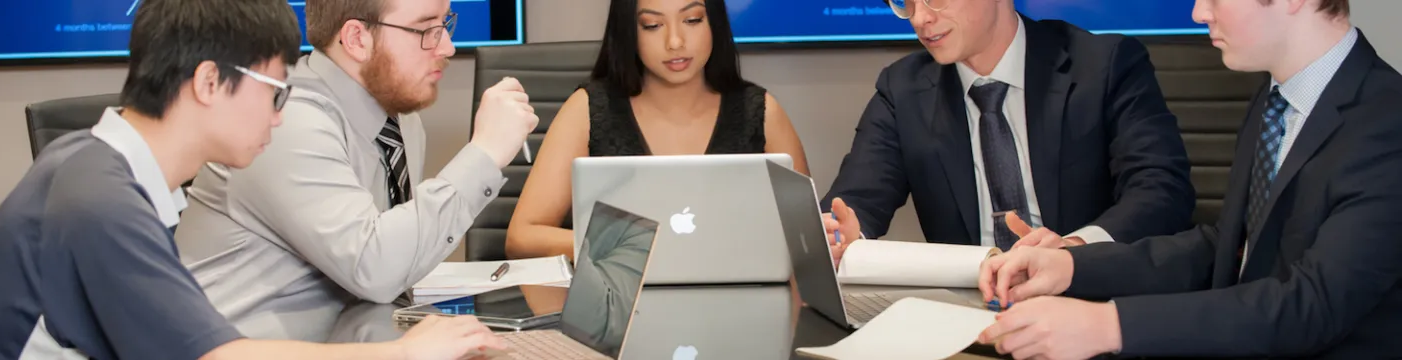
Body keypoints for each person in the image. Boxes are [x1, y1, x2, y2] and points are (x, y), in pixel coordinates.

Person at [0, 0, 504, 358]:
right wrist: (402, 352)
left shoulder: (94, 165)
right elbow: (218, 355)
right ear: (208, 82)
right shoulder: (99, 198)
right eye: (274, 91)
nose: (279, 115)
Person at [976, 0, 1402, 358]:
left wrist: (1108, 325)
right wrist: (1073, 265)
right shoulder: (1275, 101)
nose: (1199, 13)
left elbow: (1312, 306)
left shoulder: (1387, 122)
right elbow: (1231, 252)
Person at [172, 0, 539, 341]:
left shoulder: (400, 121)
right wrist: (484, 154)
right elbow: (375, 269)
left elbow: (393, 270)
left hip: (348, 339)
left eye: (446, 24)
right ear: (356, 39)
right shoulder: (287, 120)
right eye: (426, 30)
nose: (447, 47)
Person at [820, 0, 1195, 261]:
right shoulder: (902, 89)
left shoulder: (1104, 65)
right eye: (906, 2)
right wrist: (840, 234)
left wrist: (1076, 251)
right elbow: (856, 199)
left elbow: (1161, 189)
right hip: (968, 314)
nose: (919, 18)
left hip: (1091, 301)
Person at [503, 0, 811, 260]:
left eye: (692, 20)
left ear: (714, 22)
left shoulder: (760, 111)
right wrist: (623, 247)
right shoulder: (588, 109)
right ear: (629, 31)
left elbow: (809, 238)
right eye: (652, 25)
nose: (675, 41)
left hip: (741, 299)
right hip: (618, 302)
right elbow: (522, 237)